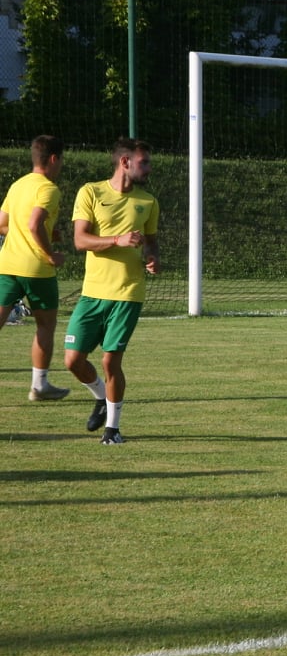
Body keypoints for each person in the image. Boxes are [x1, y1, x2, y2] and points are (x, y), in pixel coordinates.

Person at [65, 137, 159, 445]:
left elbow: (151, 240)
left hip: (128, 293)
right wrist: (117, 240)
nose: (148, 168)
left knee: (109, 361)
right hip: (92, 293)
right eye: (143, 162)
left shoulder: (148, 201)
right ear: (125, 162)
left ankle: (113, 430)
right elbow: (80, 241)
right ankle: (101, 397)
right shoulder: (90, 192)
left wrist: (151, 257)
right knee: (72, 361)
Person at [0, 135, 70, 401]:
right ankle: (39, 385)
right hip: (36, 268)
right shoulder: (48, 189)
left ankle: (41, 386)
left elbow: (2, 224)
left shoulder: (17, 185)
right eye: (61, 160)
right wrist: (50, 254)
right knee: (45, 325)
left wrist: (46, 233)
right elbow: (34, 224)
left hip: (6, 264)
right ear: (54, 159)